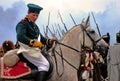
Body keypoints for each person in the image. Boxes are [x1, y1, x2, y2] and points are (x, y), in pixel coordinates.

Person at [16, 3, 57, 81]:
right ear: (28, 13)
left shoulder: (35, 27)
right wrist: (32, 42)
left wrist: (49, 41)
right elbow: (20, 36)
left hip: (33, 51)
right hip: (25, 50)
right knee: (44, 65)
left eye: (37, 16)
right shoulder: (23, 24)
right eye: (33, 15)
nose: (35, 17)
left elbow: (42, 39)